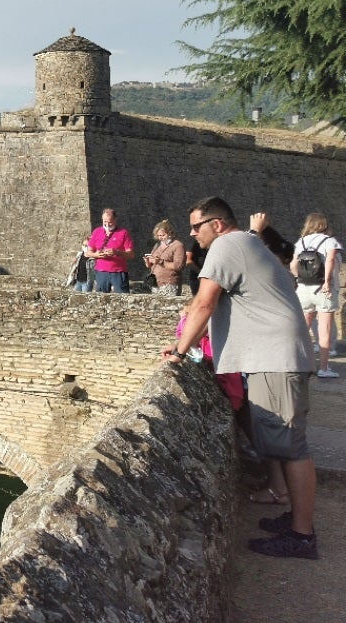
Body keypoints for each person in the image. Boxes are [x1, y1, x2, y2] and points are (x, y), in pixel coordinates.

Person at [166, 196, 318, 559]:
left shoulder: (226, 246)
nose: (193, 234)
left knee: (292, 447)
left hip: (276, 358)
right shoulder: (248, 242)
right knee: (285, 443)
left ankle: (302, 536)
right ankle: (296, 519)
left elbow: (205, 302)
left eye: (196, 226)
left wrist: (180, 351)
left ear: (216, 224)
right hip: (279, 355)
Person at [291, 212, 341, 379]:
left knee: (302, 328)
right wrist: (327, 281)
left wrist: (297, 279)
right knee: (324, 330)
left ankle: (297, 363)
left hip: (303, 289)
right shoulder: (330, 241)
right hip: (323, 289)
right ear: (324, 224)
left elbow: (293, 264)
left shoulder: (301, 242)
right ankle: (324, 368)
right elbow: (330, 260)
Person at [85, 208, 134, 293]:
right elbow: (87, 253)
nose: (107, 225)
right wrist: (96, 255)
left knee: (122, 298)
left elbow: (131, 254)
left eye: (110, 222)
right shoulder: (97, 232)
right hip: (101, 271)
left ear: (115, 220)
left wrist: (117, 252)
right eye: (105, 222)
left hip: (118, 272)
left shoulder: (123, 233)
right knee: (100, 298)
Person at [143, 220, 186, 295]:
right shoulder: (157, 245)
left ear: (170, 233)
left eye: (163, 235)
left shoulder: (178, 245)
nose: (160, 238)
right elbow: (150, 265)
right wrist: (147, 261)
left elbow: (179, 266)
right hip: (155, 285)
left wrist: (161, 262)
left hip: (169, 285)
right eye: (158, 235)